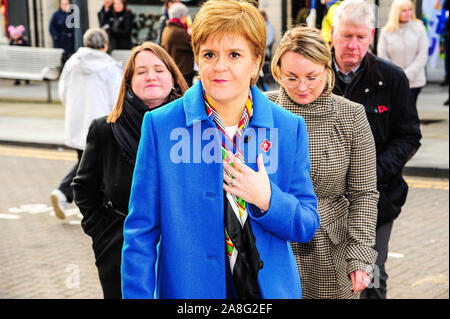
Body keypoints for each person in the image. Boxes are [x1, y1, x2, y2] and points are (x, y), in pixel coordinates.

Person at [121, 0, 319, 299]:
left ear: (255, 62)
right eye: (210, 54)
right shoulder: (160, 126)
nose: (220, 66)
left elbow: (306, 224)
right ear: (197, 58)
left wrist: (267, 199)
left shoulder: (288, 128)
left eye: (235, 55)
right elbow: (140, 235)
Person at [266, 26, 378, 299]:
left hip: (330, 250)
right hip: (272, 244)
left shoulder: (351, 116)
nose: (302, 87)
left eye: (312, 77)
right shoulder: (261, 110)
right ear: (278, 70)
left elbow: (364, 194)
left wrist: (360, 257)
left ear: (327, 69)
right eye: (291, 78)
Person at [72, 41, 188, 299]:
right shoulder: (105, 130)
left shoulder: (193, 130)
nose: (151, 76)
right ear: (129, 81)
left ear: (173, 77)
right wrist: (103, 236)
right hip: (121, 251)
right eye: (141, 71)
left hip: (182, 251)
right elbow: (83, 188)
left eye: (159, 69)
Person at [329, 0, 422, 299]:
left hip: (377, 199)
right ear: (332, 33)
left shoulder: (392, 78)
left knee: (371, 277)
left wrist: (370, 172)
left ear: (371, 36)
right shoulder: (314, 76)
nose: (353, 45)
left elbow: (409, 136)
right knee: (326, 277)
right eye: (346, 36)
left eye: (360, 37)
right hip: (323, 198)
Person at [50, 28, 123, 221]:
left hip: (78, 121)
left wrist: (71, 111)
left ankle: (71, 197)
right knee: (91, 168)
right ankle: (65, 193)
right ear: (105, 45)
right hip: (101, 125)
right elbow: (117, 99)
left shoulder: (73, 63)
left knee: (88, 166)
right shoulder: (110, 67)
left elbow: (63, 92)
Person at [377, 0, 428, 106]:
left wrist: (407, 74)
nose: (408, 13)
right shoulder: (386, 31)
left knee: (410, 112)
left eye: (410, 10)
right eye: (404, 10)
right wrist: (397, 75)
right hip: (393, 81)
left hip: (414, 81)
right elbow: (382, 56)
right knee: (396, 113)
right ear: (396, 12)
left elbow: (422, 55)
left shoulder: (419, 28)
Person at [161, 2, 195, 86]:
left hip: (176, 70)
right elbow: (195, 46)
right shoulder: (178, 32)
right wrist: (191, 33)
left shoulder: (168, 28)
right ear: (182, 16)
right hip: (183, 73)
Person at [49, 0, 75, 66]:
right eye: (64, 4)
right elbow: (51, 27)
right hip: (60, 44)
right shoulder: (56, 15)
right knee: (61, 63)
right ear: (60, 5)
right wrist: (56, 37)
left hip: (70, 44)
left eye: (67, 4)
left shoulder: (72, 15)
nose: (66, 6)